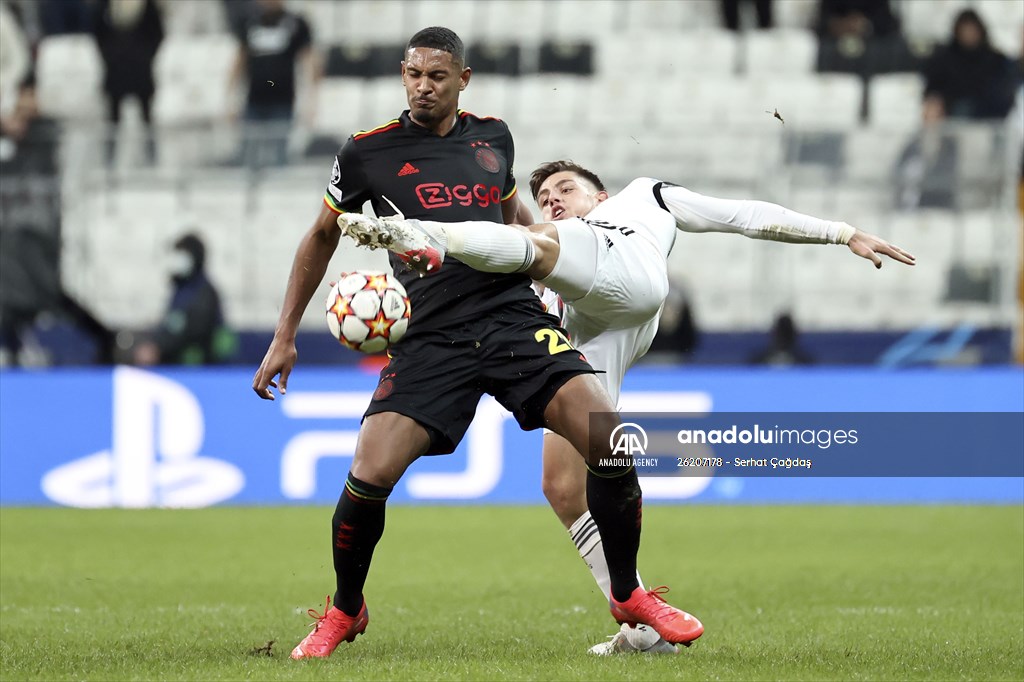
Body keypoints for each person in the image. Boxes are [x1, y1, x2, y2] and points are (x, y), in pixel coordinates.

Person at [252, 27, 703, 661]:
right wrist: (284, 335)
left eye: (436, 76)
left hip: (510, 317)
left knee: (608, 440)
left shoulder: (493, 138)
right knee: (369, 471)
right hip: (431, 334)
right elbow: (321, 236)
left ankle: (628, 594)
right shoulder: (366, 152)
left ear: (462, 80)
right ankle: (345, 609)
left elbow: (517, 223)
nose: (422, 87)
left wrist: (560, 276)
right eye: (413, 74)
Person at [338, 160, 916, 652]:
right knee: (563, 485)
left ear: (600, 194)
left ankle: (424, 234)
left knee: (540, 244)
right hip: (597, 331)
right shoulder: (553, 270)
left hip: (622, 266)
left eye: (565, 188)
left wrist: (840, 233)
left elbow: (742, 215)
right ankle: (639, 621)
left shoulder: (645, 197)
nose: (553, 198)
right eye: (543, 196)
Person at [228, 0, 319, 168]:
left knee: (279, 157)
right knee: (249, 157)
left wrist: (311, 100)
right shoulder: (249, 22)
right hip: (254, 101)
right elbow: (239, 61)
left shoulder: (296, 23)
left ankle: (277, 192)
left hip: (282, 101)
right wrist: (230, 99)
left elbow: (309, 61)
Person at [133, 233, 233, 366]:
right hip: (171, 354)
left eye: (183, 255)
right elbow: (170, 324)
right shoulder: (180, 289)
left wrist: (159, 349)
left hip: (198, 361)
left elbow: (194, 331)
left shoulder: (205, 292)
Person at [92, 0, 164, 166]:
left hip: (141, 69)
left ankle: (152, 161)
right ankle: (109, 162)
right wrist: (109, 53)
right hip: (115, 69)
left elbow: (158, 33)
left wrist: (145, 54)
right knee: (112, 120)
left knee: (146, 118)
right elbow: (97, 31)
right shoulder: (105, 5)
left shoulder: (147, 6)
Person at [922, 9, 1017, 121]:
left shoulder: (996, 61)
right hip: (950, 121)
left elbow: (1004, 94)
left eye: (972, 30)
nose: (968, 34)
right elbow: (933, 90)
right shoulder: (942, 60)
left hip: (988, 120)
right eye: (965, 30)